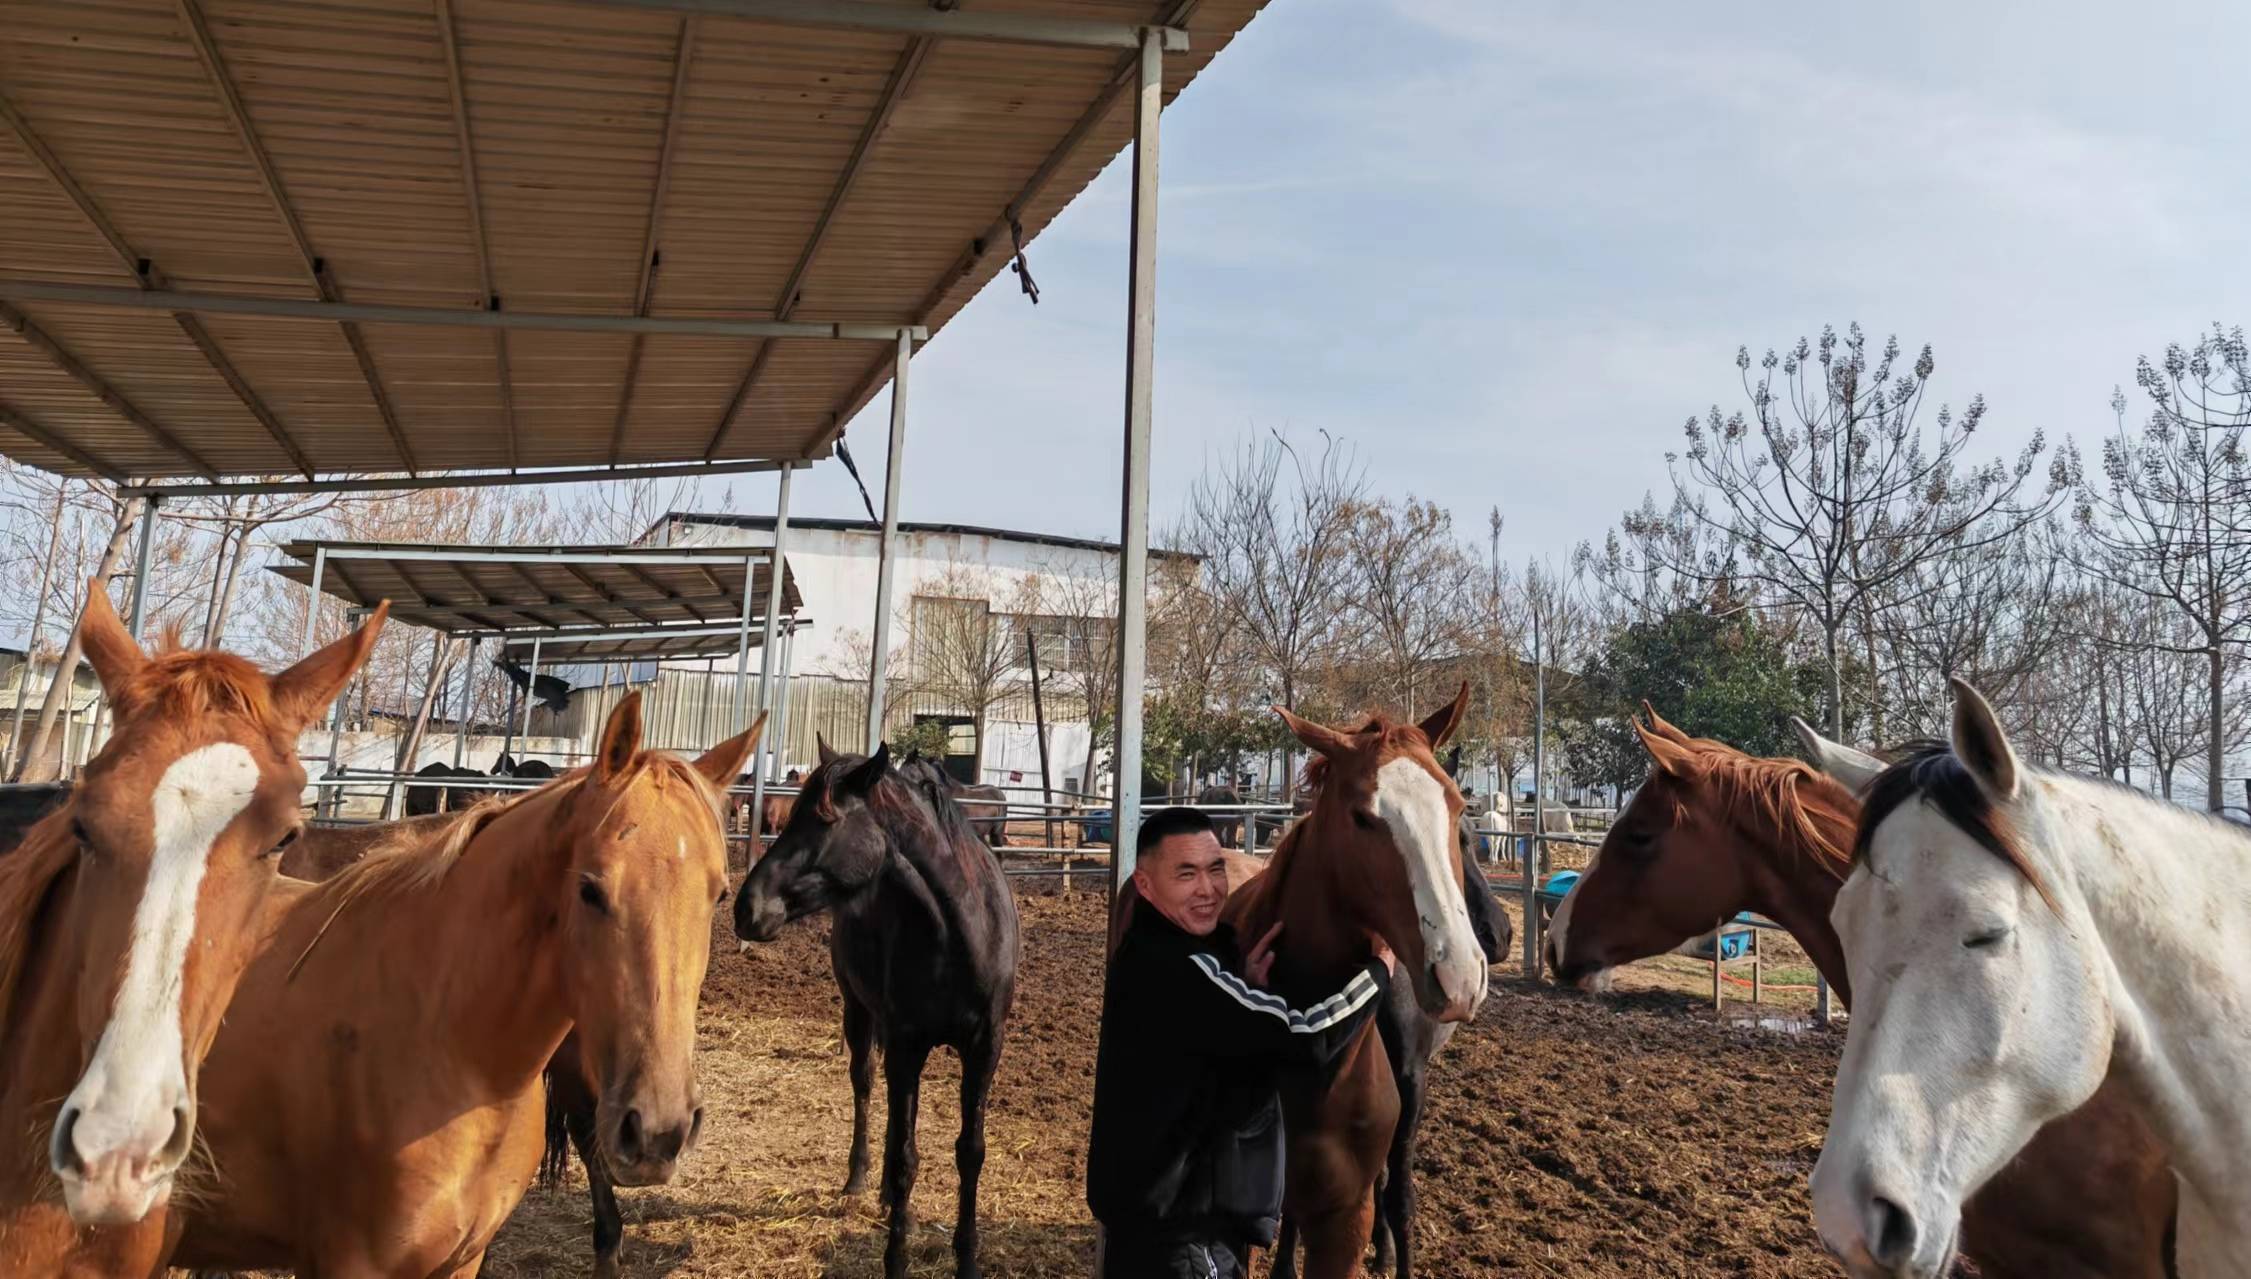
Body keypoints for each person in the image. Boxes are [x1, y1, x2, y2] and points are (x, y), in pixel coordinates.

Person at [1088, 807, 1395, 1278]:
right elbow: (1304, 1036)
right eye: (1185, 874)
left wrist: (1241, 982)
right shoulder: (1185, 971)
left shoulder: (1144, 954)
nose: (1209, 889)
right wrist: (1378, 974)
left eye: (1215, 869)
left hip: (1144, 1231)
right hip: (1185, 1243)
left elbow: (1214, 1028)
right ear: (1145, 886)